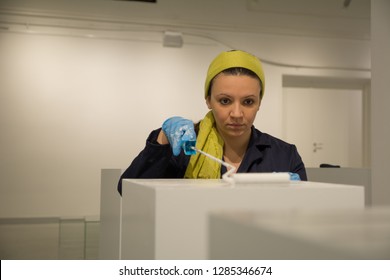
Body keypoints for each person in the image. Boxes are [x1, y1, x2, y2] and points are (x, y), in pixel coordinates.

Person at [118, 50, 307, 194]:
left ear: (259, 103)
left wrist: (297, 195)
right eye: (225, 101)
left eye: (248, 102)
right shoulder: (185, 148)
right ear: (208, 100)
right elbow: (127, 192)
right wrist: (162, 139)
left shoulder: (285, 156)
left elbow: (300, 218)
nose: (237, 113)